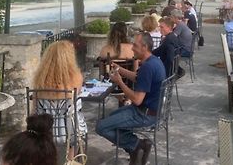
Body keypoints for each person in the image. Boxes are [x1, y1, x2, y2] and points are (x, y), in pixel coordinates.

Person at [96, 32, 166, 165]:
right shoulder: (154, 61)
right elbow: (137, 77)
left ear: (144, 47)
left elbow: (137, 99)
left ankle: (136, 145)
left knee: (101, 127)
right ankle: (135, 150)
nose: (132, 48)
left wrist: (119, 82)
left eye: (135, 45)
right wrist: (120, 70)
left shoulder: (147, 67)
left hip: (144, 114)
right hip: (151, 111)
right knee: (111, 117)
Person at [32, 41, 87, 154]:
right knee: (76, 118)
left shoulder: (39, 81)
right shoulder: (76, 78)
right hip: (71, 131)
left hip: (45, 130)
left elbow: (35, 110)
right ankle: (71, 159)